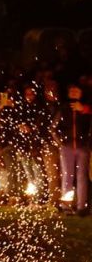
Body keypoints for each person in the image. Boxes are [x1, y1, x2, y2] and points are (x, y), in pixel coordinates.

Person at [56, 84, 91, 215]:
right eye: (71, 90)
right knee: (67, 176)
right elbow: (53, 127)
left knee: (82, 177)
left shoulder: (87, 108)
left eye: (77, 90)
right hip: (67, 147)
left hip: (83, 147)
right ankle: (66, 206)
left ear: (81, 92)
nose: (74, 92)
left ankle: (81, 207)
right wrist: (61, 142)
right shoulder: (63, 108)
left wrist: (84, 109)